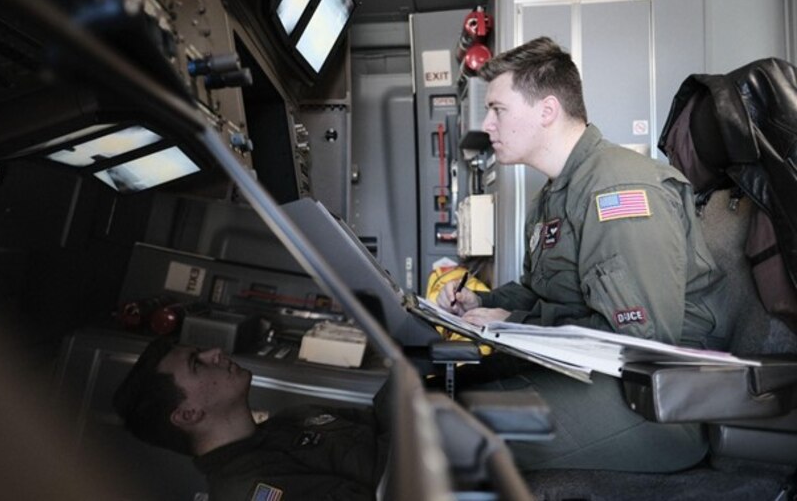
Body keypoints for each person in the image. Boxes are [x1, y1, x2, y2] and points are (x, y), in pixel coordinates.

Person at [436, 36, 729, 472]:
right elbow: (542, 292)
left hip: (659, 401)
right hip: (601, 373)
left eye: (497, 109)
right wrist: (485, 303)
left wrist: (514, 324)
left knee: (447, 433)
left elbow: (640, 341)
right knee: (438, 396)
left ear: (547, 111)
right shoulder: (554, 195)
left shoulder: (617, 190)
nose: (487, 125)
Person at [113, 337, 388, 501]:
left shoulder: (293, 417)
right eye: (197, 363)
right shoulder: (246, 491)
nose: (215, 353)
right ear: (189, 414)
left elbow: (390, 416)